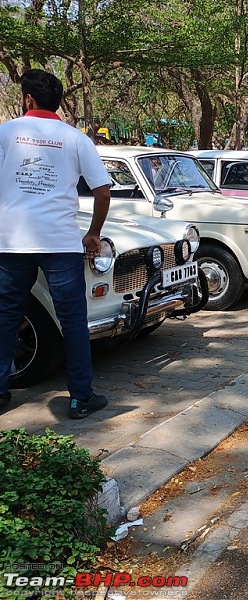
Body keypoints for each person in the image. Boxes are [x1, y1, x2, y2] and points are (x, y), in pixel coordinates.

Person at [0, 69, 112, 418]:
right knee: (74, 320)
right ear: (58, 101)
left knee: (5, 317)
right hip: (60, 242)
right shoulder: (76, 138)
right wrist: (93, 233)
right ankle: (80, 398)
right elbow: (102, 189)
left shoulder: (5, 133)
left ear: (27, 99)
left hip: (11, 241)